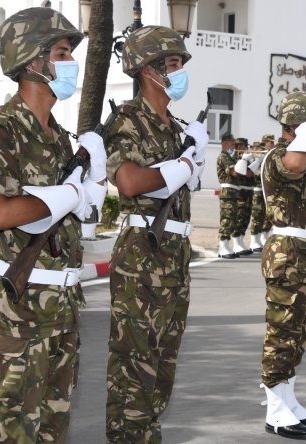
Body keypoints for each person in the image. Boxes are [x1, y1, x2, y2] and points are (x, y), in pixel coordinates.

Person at [0, 8, 107, 441]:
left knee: (53, 431)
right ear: (33, 61)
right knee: (16, 433)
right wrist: (69, 194)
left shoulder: (59, 137)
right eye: (62, 52)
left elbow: (72, 219)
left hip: (61, 306)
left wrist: (90, 193)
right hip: (16, 314)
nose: (71, 63)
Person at [104, 25, 207, 442]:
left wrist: (190, 154)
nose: (180, 71)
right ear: (148, 70)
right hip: (142, 256)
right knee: (134, 368)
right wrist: (183, 165)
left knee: (163, 367)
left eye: (180, 62)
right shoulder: (127, 120)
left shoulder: (176, 126)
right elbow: (128, 182)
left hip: (175, 256)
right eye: (173, 63)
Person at [260, 91, 306, 439]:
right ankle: (275, 409)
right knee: (282, 333)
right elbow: (295, 164)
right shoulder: (278, 157)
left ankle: (288, 400)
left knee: (299, 333)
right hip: (288, 258)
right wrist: (305, 133)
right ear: (297, 125)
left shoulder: (305, 162)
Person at [217, 133, 240, 259]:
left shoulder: (231, 157)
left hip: (233, 192)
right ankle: (222, 247)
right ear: (225, 144)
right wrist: (243, 161)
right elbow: (234, 172)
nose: (233, 147)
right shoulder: (223, 157)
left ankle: (226, 245)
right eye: (231, 144)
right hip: (227, 192)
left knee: (232, 219)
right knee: (226, 219)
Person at [232, 137, 254, 256]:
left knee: (245, 218)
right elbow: (245, 173)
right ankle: (236, 243)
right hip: (240, 191)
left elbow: (251, 173)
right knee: (239, 218)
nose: (244, 149)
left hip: (248, 192)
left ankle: (240, 241)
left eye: (244, 146)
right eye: (243, 146)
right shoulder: (235, 158)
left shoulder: (246, 159)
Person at [248, 140, 271, 252]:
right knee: (257, 215)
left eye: (262, 148)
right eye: (258, 149)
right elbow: (253, 173)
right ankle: (253, 241)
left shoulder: (263, 158)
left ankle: (260, 239)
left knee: (264, 215)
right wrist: (258, 161)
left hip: (265, 189)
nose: (261, 150)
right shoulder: (252, 159)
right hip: (256, 190)